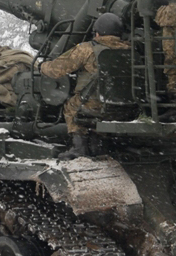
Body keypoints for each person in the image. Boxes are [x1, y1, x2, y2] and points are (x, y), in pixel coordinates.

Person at [40, 13, 130, 158]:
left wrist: (42, 66)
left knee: (71, 107)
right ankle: (97, 147)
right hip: (123, 104)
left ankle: (79, 149)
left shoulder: (86, 49)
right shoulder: (128, 49)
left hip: (96, 103)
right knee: (97, 114)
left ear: (98, 32)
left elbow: (56, 69)